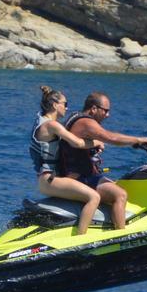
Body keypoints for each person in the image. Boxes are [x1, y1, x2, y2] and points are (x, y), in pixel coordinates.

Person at [58, 91, 147, 230]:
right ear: (94, 108)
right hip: (80, 178)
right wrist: (138, 140)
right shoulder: (86, 122)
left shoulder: (75, 117)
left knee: (116, 184)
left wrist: (93, 147)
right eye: (105, 111)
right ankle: (121, 234)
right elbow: (110, 137)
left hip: (85, 175)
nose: (108, 115)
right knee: (120, 194)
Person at [30, 85, 106, 235]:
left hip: (46, 179)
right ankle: (80, 238)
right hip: (50, 179)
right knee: (94, 197)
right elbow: (76, 142)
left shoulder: (40, 120)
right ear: (54, 105)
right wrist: (96, 142)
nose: (67, 107)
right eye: (65, 104)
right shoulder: (51, 125)